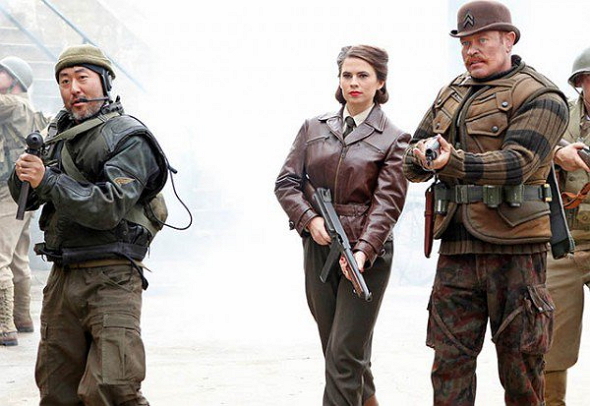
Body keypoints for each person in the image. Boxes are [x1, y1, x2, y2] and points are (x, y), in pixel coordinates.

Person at [402, 1, 569, 405]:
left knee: (521, 370)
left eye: (482, 40)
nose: (471, 50)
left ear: (509, 39)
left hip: (516, 251)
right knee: (448, 366)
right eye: (465, 42)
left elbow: (519, 163)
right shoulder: (451, 93)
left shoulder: (541, 94)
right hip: (457, 246)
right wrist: (422, 156)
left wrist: (451, 162)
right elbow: (411, 158)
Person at [8, 44, 168, 405]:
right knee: (56, 391)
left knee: (112, 388)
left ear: (104, 82)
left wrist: (48, 179)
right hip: (62, 276)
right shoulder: (57, 134)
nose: (74, 89)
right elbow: (28, 199)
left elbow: (108, 207)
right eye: (65, 81)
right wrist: (25, 174)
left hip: (111, 276)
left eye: (82, 78)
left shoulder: (128, 137)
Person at [275, 45, 410, 406]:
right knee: (338, 350)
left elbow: (387, 204)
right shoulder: (313, 128)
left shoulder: (394, 138)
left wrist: (363, 251)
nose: (354, 82)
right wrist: (310, 219)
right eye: (347, 75)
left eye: (363, 75)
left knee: (343, 356)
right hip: (319, 249)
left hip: (366, 256)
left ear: (380, 82)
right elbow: (286, 183)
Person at [544, 47, 590, 406]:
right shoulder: (558, 116)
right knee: (550, 343)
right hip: (564, 241)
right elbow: (527, 148)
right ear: (581, 82)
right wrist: (557, 154)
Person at [0, 56, 47, 346]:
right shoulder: (29, 106)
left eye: (2, 71)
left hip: (9, 192)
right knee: (18, 257)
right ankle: (22, 318)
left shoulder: (12, 103)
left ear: (15, 80)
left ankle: (4, 325)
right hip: (23, 191)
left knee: (0, 257)